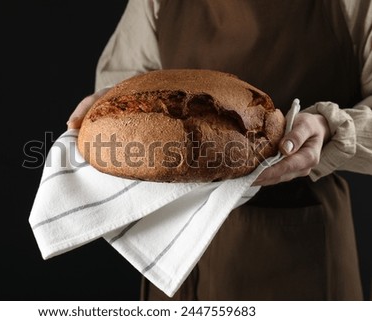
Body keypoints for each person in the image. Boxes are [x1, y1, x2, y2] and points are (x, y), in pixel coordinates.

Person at [68, 0, 372, 300]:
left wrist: (334, 128)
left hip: (299, 258)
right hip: (174, 253)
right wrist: (107, 104)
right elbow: (122, 83)